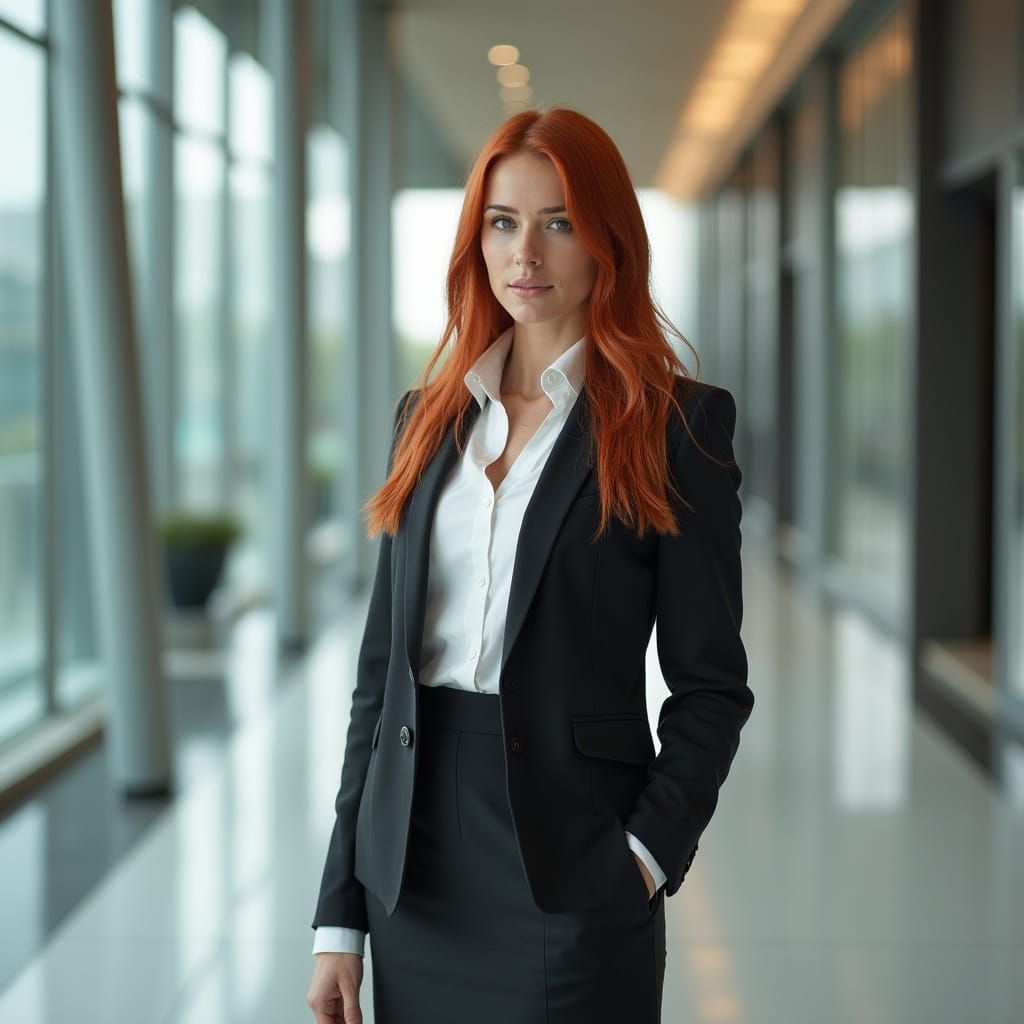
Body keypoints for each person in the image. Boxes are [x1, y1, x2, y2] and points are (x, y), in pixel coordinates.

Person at [305, 106, 754, 1024]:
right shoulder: (427, 421)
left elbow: (712, 687)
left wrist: (644, 858)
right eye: (504, 223)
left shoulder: (677, 428)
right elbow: (378, 683)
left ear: (608, 240)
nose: (527, 254)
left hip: (576, 865)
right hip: (415, 870)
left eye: (558, 222)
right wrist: (339, 918)